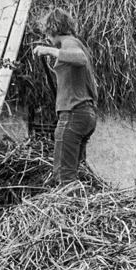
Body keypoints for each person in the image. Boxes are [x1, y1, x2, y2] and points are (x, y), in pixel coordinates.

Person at [32, 11, 98, 187]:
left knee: (64, 176)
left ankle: (70, 212)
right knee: (75, 173)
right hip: (84, 114)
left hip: (73, 114)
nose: (46, 39)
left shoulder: (69, 43)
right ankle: (79, 208)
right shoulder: (75, 43)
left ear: (51, 29)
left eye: (47, 34)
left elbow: (80, 58)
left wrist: (49, 50)